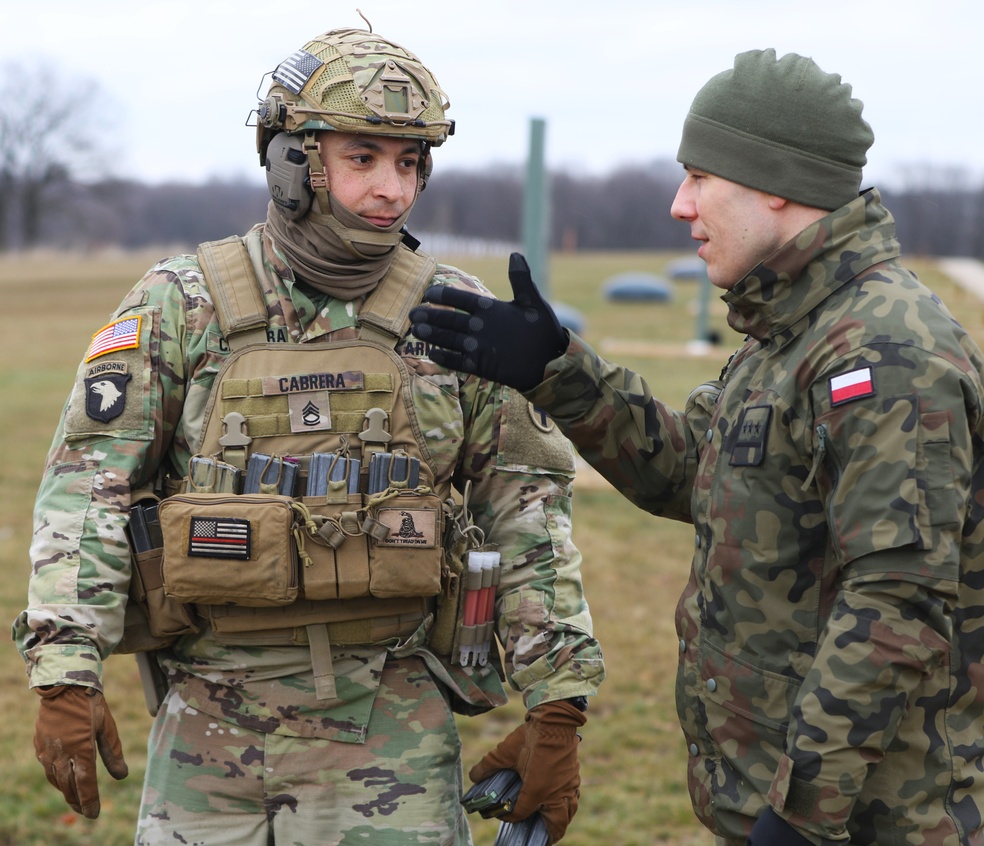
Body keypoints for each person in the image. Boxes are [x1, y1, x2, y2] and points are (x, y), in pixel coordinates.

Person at [13, 24, 603, 846]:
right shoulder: (183, 305)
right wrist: (64, 675)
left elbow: (529, 516)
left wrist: (558, 703)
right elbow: (88, 489)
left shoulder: (461, 321)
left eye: (410, 162)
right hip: (210, 726)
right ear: (295, 162)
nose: (391, 189)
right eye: (363, 158)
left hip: (390, 722)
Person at [409, 48, 984, 846]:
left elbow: (894, 606)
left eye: (699, 177)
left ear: (775, 182)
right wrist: (555, 368)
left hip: (866, 821)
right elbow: (696, 473)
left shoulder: (885, 352)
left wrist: (797, 818)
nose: (681, 205)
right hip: (786, 804)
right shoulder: (790, 331)